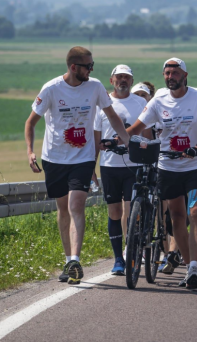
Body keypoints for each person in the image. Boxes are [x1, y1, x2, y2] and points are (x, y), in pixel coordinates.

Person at [25, 46, 130, 285]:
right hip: (54, 158)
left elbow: (112, 116)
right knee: (63, 209)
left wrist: (129, 142)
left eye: (93, 65)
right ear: (74, 67)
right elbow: (30, 123)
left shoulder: (95, 87)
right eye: (88, 66)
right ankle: (67, 262)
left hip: (82, 158)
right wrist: (30, 151)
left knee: (76, 203)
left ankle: (75, 259)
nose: (92, 70)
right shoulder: (51, 89)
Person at [127, 58, 197, 289]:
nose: (171, 76)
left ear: (185, 75)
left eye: (175, 72)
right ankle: (189, 268)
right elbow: (136, 128)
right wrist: (114, 139)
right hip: (168, 165)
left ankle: (195, 266)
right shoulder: (159, 98)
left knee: (196, 212)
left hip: (196, 163)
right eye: (167, 73)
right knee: (177, 217)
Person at [93, 64, 150, 275]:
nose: (123, 81)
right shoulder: (102, 103)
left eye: (127, 77)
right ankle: (118, 259)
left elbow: (148, 134)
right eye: (119, 77)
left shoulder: (141, 102)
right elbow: (95, 139)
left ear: (132, 81)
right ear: (112, 80)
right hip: (109, 167)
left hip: (134, 166)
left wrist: (149, 160)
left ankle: (131, 250)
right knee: (114, 212)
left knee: (131, 211)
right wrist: (92, 167)